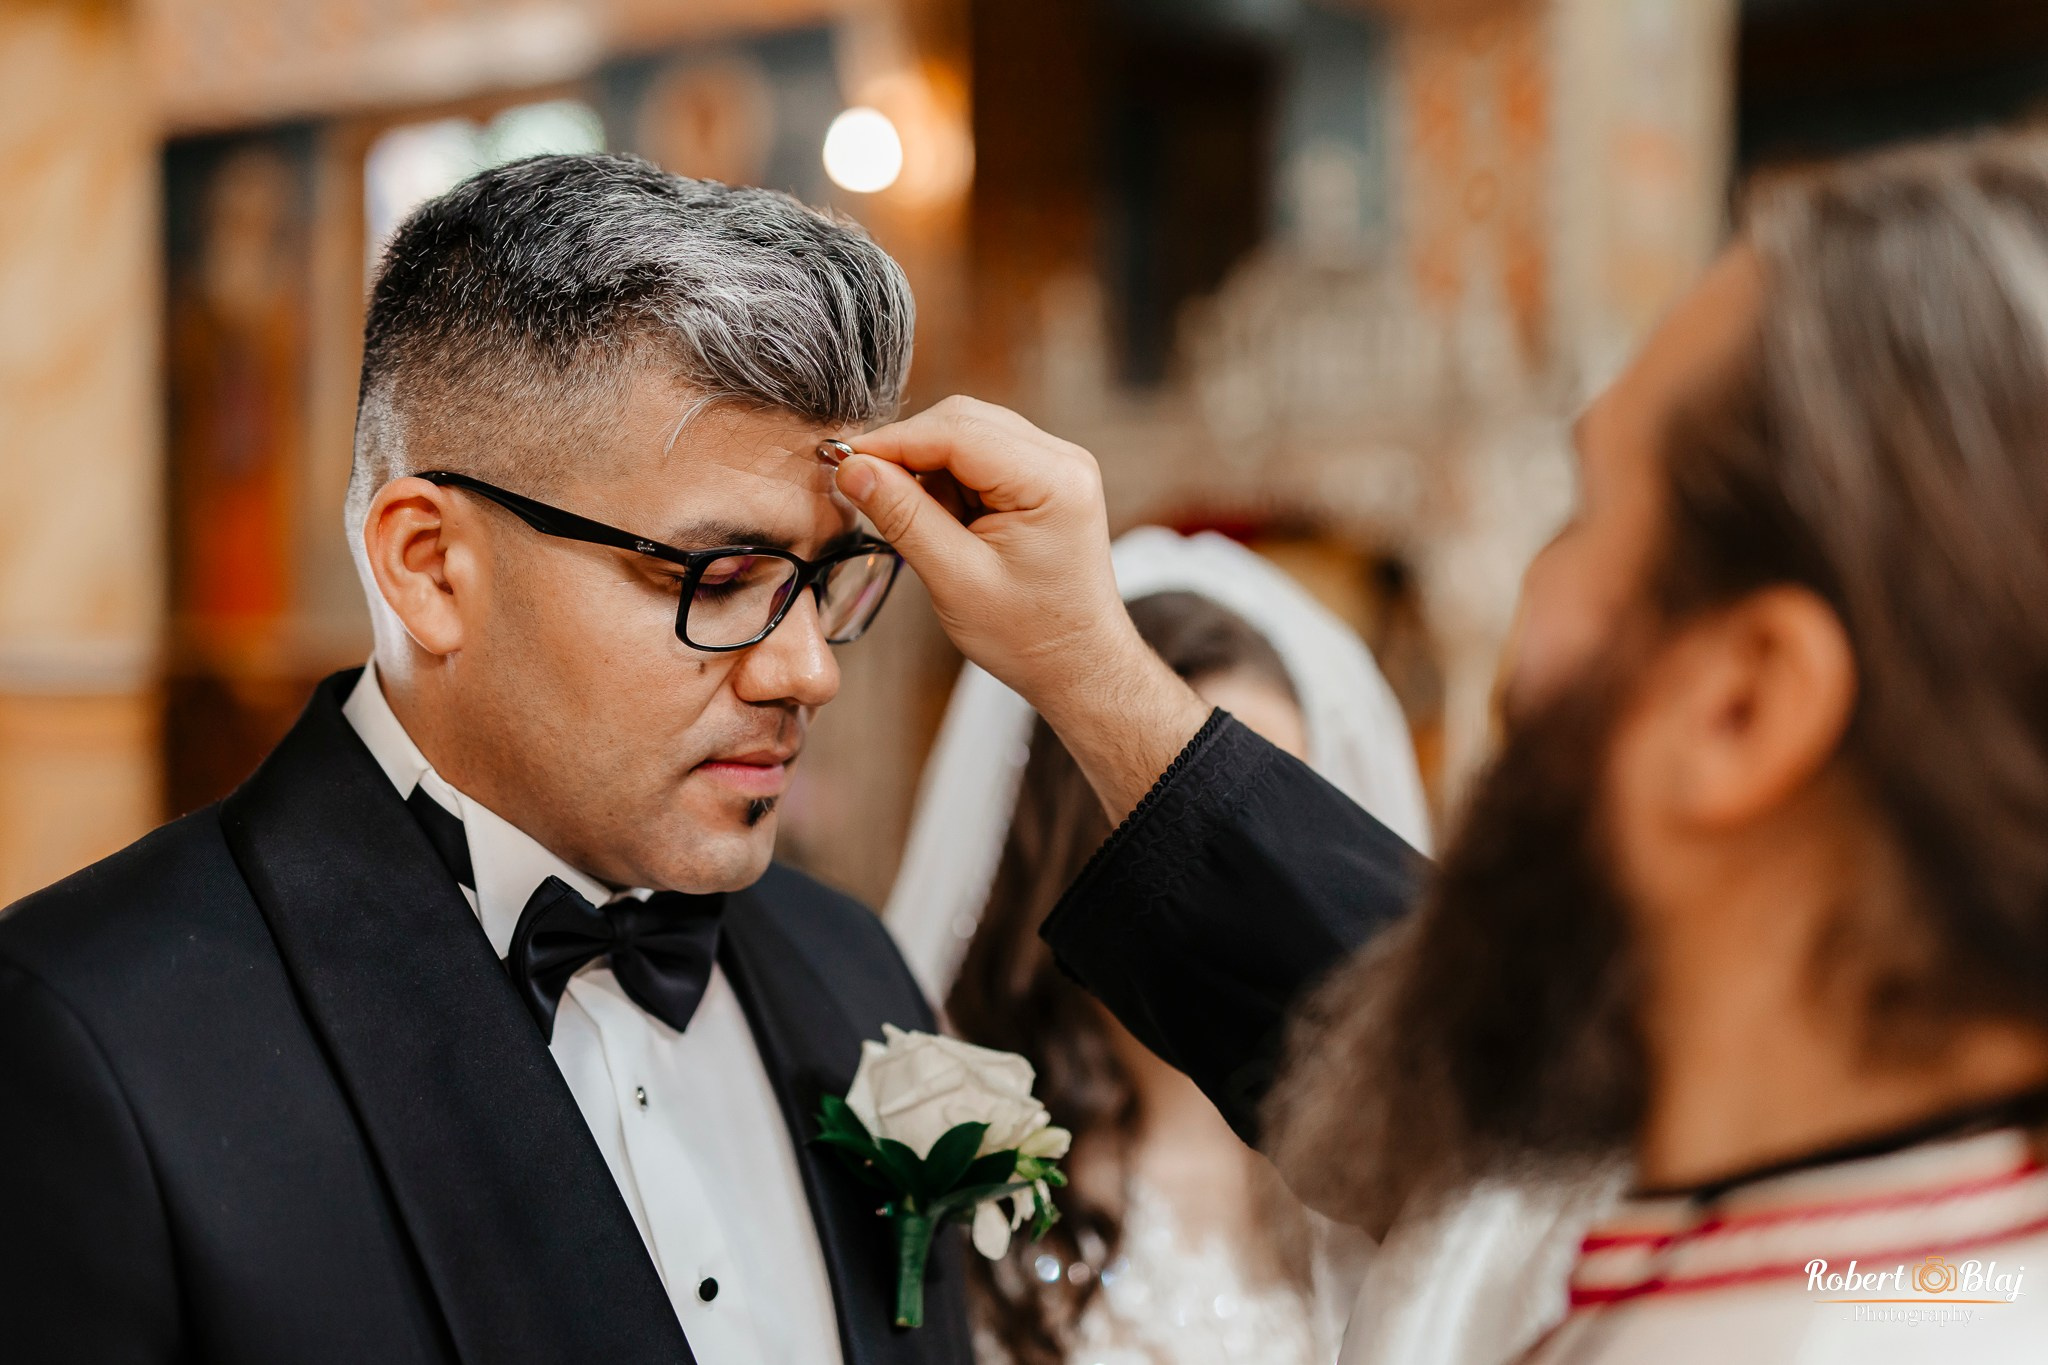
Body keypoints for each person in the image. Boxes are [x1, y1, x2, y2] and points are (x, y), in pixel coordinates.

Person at [832, 131, 2048, 1363]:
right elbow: (1425, 1058)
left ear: (1743, 707)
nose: (1521, 611)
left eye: (1579, 520)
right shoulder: (1847, 1244)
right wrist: (1085, 669)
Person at [0, 155, 969, 1365]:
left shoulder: (850, 965)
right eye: (719, 578)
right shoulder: (90, 1043)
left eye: (825, 581)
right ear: (429, 565)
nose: (807, 671)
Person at [890, 527, 1430, 1365]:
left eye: (1267, 829)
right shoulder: (949, 1134)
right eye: (1181, 812)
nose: (1242, 878)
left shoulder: (1373, 1160)